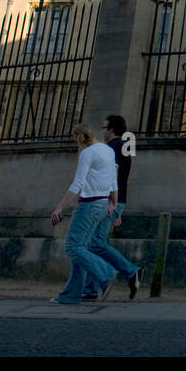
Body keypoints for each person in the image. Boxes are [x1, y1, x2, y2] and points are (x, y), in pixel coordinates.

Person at [50, 124, 118, 304]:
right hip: (104, 203)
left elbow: (78, 183)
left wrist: (59, 207)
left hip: (89, 205)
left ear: (79, 139)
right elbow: (113, 180)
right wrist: (114, 202)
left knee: (72, 247)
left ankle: (106, 273)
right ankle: (71, 295)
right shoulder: (108, 150)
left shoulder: (87, 153)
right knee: (80, 248)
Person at [82, 115, 143, 301]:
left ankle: (131, 271)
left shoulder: (111, 148)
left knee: (95, 243)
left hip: (107, 199)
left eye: (104, 127)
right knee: (93, 243)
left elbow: (111, 176)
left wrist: (111, 202)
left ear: (112, 129)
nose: (102, 130)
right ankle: (90, 289)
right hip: (117, 200)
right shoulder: (125, 146)